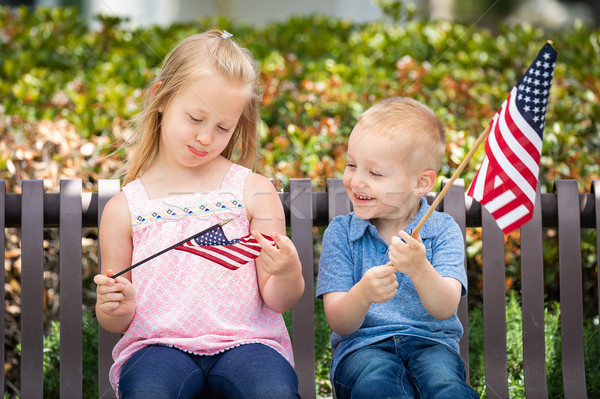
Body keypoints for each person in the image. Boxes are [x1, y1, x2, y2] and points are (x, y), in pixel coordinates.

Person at [94, 30, 304, 399]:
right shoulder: (125, 208)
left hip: (248, 343)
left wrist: (288, 272)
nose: (206, 137)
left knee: (272, 391)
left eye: (223, 127)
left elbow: (277, 299)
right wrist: (115, 305)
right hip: (156, 346)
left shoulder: (253, 190)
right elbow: (115, 321)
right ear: (161, 97)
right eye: (195, 118)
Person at [316, 97, 478, 398]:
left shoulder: (442, 231)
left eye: (374, 173)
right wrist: (363, 293)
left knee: (447, 388)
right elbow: (340, 321)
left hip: (432, 345)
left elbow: (444, 308)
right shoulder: (341, 233)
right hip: (362, 349)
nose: (356, 181)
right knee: (377, 386)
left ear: (421, 183)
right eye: (352, 165)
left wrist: (419, 268)